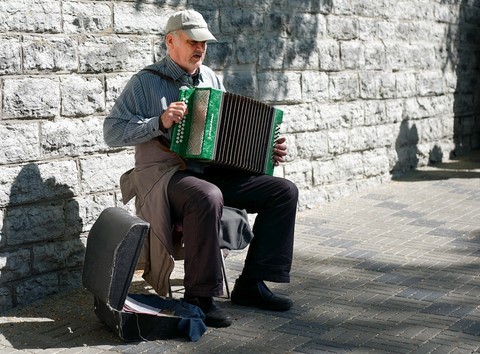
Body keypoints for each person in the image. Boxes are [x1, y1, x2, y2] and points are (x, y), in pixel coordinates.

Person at [103, 9, 298, 328]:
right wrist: (158, 122)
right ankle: (200, 297)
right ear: (171, 41)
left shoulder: (210, 79)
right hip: (166, 176)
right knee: (207, 196)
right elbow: (112, 132)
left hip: (210, 172)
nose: (200, 48)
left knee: (283, 191)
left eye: (204, 43)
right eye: (192, 41)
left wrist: (265, 152)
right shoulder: (145, 82)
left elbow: (225, 136)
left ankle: (251, 284)